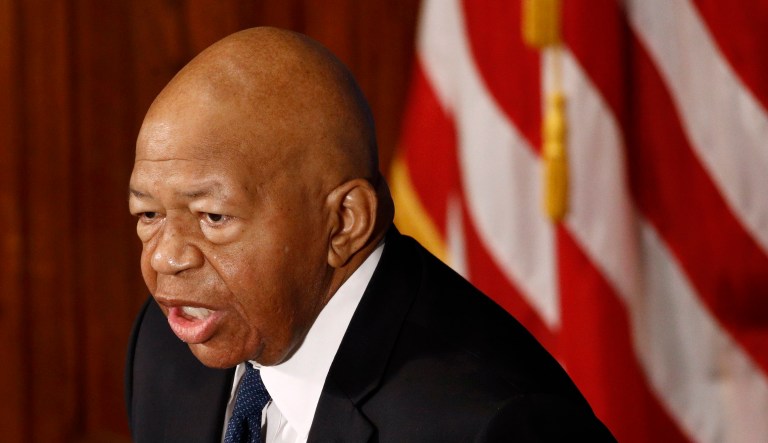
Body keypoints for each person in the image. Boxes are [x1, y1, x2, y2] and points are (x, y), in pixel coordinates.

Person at [125, 27, 615, 442]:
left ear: (344, 222)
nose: (166, 259)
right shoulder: (169, 345)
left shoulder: (492, 423)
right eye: (148, 215)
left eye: (213, 218)